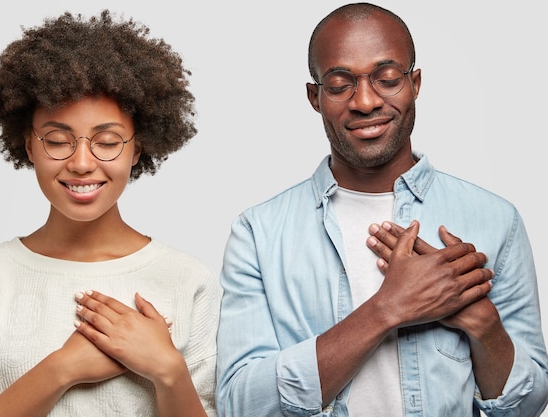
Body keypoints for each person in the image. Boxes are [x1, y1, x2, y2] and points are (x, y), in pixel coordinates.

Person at [215, 3, 548, 417]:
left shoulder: (496, 220)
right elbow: (241, 404)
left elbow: (527, 405)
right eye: (339, 85)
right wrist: (387, 309)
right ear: (314, 97)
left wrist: (483, 324)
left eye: (388, 79)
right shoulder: (259, 233)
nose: (366, 101)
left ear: (416, 83)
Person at [0, 10, 220, 417]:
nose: (82, 162)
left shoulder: (188, 280)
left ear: (137, 148)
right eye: (58, 140)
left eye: (108, 141)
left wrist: (168, 371)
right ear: (28, 146)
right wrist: (62, 368)